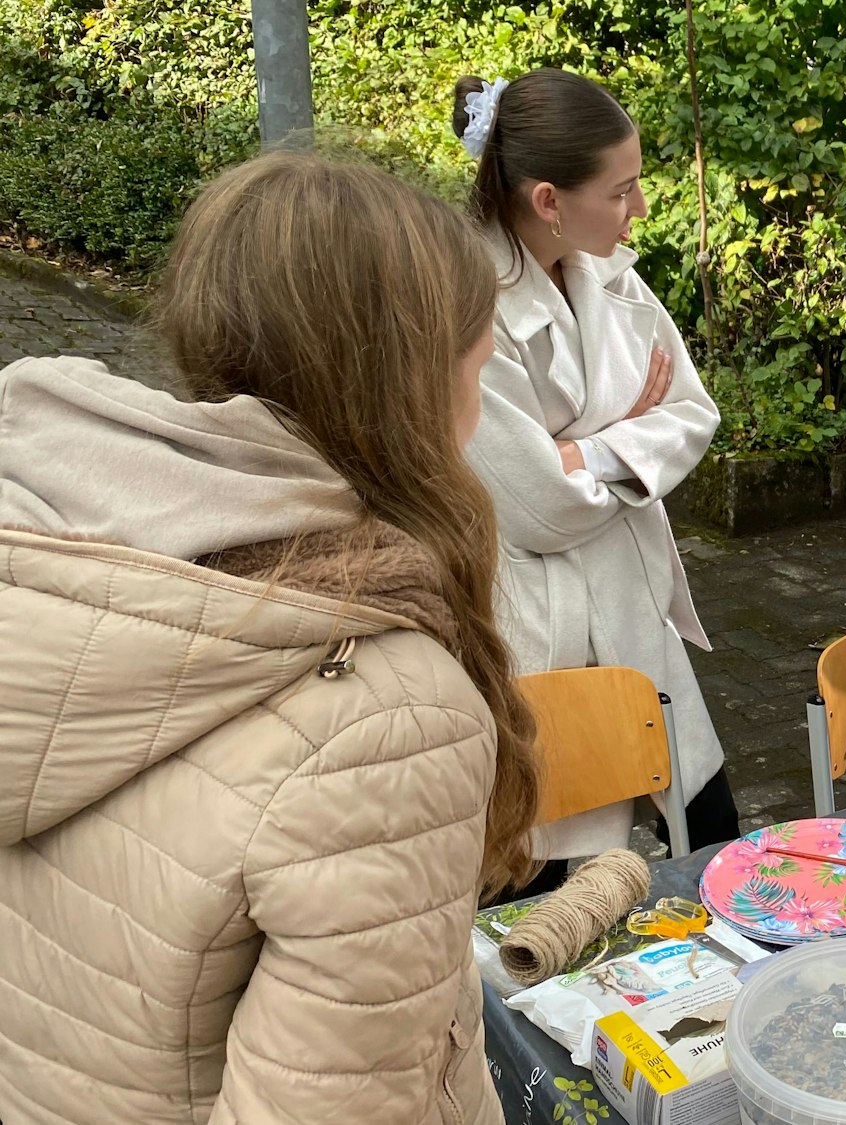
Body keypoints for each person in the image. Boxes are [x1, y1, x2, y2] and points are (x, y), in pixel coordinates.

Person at [0, 153, 533, 1123]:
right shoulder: (390, 719)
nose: (478, 403)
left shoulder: (50, 553)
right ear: (407, 383)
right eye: (478, 363)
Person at [451, 68, 736, 878]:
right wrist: (625, 431)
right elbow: (539, 508)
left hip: (628, 603)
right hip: (535, 627)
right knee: (540, 875)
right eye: (621, 190)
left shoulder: (612, 274)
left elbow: (692, 413)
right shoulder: (468, 302)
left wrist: (581, 448)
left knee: (712, 832)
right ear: (548, 200)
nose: (639, 208)